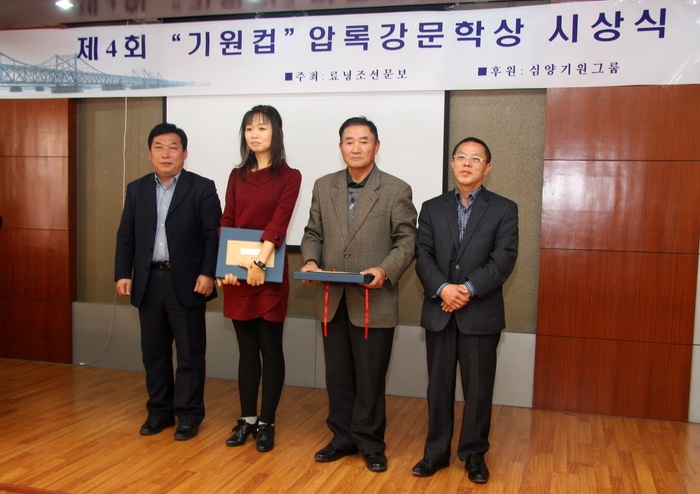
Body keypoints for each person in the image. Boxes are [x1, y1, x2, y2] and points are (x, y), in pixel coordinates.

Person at [300, 116, 417, 472]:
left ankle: (370, 442)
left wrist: (385, 270)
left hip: (373, 300)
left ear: (376, 146)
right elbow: (313, 233)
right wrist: (310, 260)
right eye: (349, 141)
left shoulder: (396, 189)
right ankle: (342, 438)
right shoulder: (324, 186)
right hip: (332, 299)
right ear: (340, 147)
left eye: (363, 141)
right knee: (337, 376)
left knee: (370, 377)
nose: (356, 147)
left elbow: (407, 241)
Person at [411, 137, 518, 484]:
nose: (467, 163)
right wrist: (444, 288)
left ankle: (474, 454)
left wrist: (466, 290)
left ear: (488, 168)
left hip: (480, 314)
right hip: (440, 312)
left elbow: (503, 260)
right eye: (461, 157)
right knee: (438, 388)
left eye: (476, 158)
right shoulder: (431, 208)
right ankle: (435, 453)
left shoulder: (504, 209)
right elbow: (423, 255)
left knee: (478, 390)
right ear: (452, 163)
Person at [115, 122, 222, 441]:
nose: (166, 154)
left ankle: (188, 415)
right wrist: (123, 272)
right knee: (154, 353)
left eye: (173, 147)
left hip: (187, 282)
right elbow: (126, 234)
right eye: (158, 147)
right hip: (148, 282)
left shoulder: (202, 187)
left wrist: (208, 273)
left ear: (184, 153)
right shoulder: (136, 189)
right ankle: (159, 412)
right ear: (149, 154)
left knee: (190, 354)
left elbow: (213, 236)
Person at [218, 105, 301, 453]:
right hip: (239, 273)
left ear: (276, 133)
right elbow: (228, 220)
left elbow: (278, 224)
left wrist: (259, 264)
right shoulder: (236, 175)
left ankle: (267, 422)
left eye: (262, 128)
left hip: (269, 272)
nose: (255, 134)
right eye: (249, 128)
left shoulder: (290, 176)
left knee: (270, 348)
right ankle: (248, 418)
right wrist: (226, 267)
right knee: (247, 350)